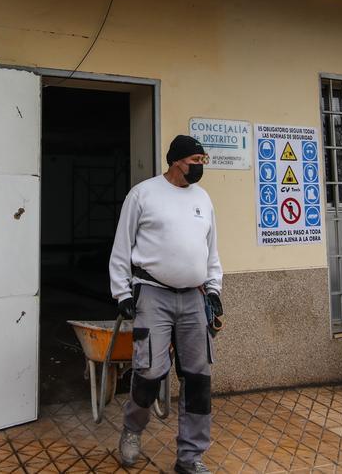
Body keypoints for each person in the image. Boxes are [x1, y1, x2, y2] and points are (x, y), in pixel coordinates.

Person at [109, 135, 223, 474]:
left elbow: (211, 252)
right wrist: (122, 293)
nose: (200, 168)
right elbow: (121, 247)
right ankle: (132, 432)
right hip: (152, 295)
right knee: (149, 373)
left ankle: (190, 456)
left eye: (203, 161)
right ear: (177, 161)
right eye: (195, 162)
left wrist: (214, 291)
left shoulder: (203, 199)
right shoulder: (143, 194)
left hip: (194, 297)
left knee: (198, 379)